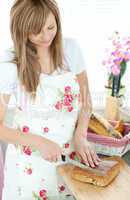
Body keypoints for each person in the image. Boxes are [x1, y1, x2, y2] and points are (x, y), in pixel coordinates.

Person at [0, 0, 100, 199]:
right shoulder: (10, 63)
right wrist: (40, 142)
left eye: (51, 27)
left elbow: (86, 100)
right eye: (37, 31)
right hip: (29, 167)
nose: (46, 36)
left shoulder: (71, 49)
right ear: (21, 30)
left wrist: (81, 135)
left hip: (71, 159)